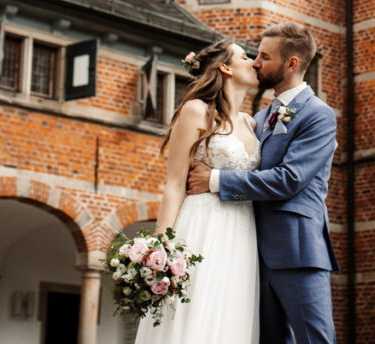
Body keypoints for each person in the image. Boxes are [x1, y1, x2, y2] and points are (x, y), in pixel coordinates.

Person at [187, 21, 339, 344]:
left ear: (292, 64)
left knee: (315, 339)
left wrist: (214, 179)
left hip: (298, 252)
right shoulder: (259, 117)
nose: (256, 62)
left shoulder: (318, 115)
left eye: (264, 57)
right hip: (252, 253)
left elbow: (289, 180)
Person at [134, 38, 260, 344]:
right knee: (196, 310)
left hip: (243, 232)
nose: (254, 62)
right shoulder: (196, 110)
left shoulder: (250, 123)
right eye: (245, 56)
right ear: (226, 68)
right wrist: (161, 246)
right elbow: (176, 183)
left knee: (233, 313)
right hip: (204, 225)